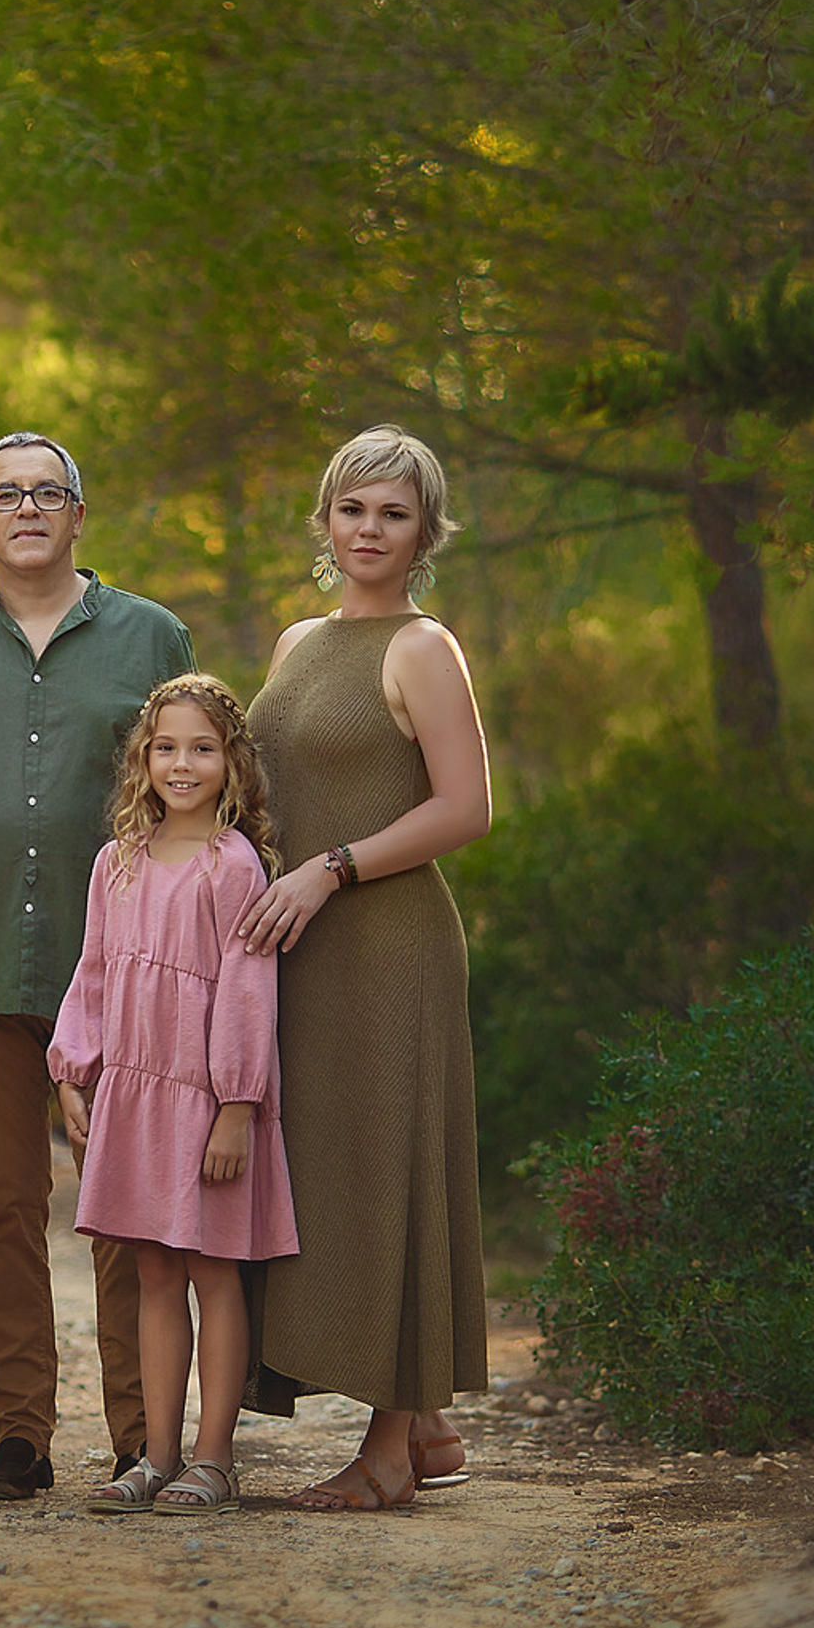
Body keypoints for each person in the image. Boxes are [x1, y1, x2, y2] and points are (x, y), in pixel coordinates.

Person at [0, 431, 196, 1499]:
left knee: (125, 1208)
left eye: (48, 492)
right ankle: (19, 1431)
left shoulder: (155, 638)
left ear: (78, 514)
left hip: (121, 974)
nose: (28, 508)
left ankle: (139, 1434)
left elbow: (206, 787)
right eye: (5, 494)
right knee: (0, 1206)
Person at [239, 424, 491, 1511]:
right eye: (354, 509)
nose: (370, 530)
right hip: (300, 953)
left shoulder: (424, 648)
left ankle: (389, 1449)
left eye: (394, 513)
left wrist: (331, 872)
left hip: (389, 947)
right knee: (321, 1173)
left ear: (425, 531)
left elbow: (465, 808)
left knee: (390, 1172)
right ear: (327, 520)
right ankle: (427, 1422)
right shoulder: (300, 642)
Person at [51, 675, 298, 1516]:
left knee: (213, 1273)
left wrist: (236, 1104)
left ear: (231, 762)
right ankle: (154, 1456)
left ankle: (214, 1459)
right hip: (134, 1097)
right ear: (142, 760)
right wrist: (73, 1068)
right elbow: (92, 973)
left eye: (202, 748)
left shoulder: (232, 868)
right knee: (154, 1273)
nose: (182, 764)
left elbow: (246, 991)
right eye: (166, 748)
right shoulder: (116, 862)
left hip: (207, 1103)